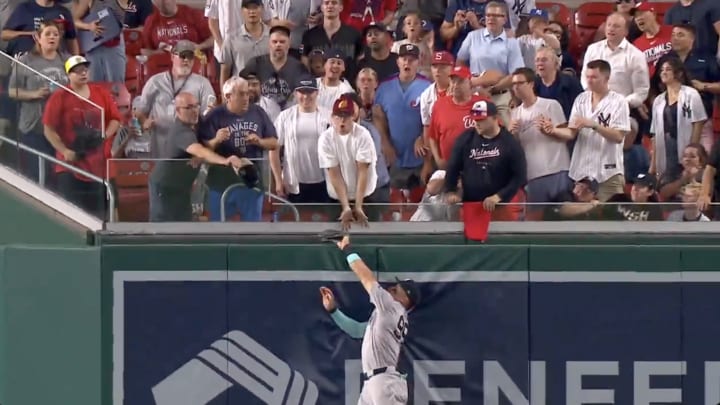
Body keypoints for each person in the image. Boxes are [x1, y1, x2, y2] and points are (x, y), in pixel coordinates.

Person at [319, 234, 419, 405]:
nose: (392, 288)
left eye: (397, 288)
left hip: (385, 382)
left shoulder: (393, 307)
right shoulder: (388, 314)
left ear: (405, 299)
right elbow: (358, 330)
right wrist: (334, 311)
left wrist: (347, 249)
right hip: (375, 382)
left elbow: (366, 277)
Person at [42, 55, 122, 217]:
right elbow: (48, 129)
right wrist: (64, 151)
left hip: (100, 162)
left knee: (109, 208)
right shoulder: (59, 96)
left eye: (85, 70)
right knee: (72, 212)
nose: (83, 73)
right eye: (77, 71)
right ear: (68, 75)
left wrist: (105, 135)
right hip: (71, 163)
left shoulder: (101, 93)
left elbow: (115, 119)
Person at [148, 92, 243, 222]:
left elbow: (204, 145)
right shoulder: (180, 131)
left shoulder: (197, 122)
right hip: (165, 187)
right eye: (189, 107)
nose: (194, 111)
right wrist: (225, 160)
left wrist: (216, 140)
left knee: (184, 225)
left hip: (183, 187)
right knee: (164, 228)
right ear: (178, 111)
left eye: (196, 106)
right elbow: (200, 150)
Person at [548, 59, 630, 201]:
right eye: (588, 77)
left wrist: (594, 125)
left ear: (606, 78)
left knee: (611, 216)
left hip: (608, 172)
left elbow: (618, 136)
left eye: (594, 77)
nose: (590, 81)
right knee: (582, 218)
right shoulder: (581, 99)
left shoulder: (619, 102)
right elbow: (571, 131)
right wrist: (552, 130)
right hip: (582, 172)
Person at [199, 76, 278, 221]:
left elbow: (274, 143)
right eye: (242, 94)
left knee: (252, 231)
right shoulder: (214, 116)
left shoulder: (258, 112)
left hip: (250, 183)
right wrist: (216, 140)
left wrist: (259, 141)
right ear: (228, 96)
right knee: (219, 229)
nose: (247, 98)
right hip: (220, 184)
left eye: (247, 93)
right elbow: (201, 150)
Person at [8, 20, 69, 184]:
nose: (52, 38)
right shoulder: (26, 61)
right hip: (34, 126)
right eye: (48, 34)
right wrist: (34, 94)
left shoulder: (66, 60)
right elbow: (13, 91)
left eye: (55, 34)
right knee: (38, 175)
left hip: (60, 127)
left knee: (58, 177)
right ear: (37, 37)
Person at [444, 100, 527, 215]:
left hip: (502, 205)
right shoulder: (465, 139)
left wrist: (499, 196)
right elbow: (452, 168)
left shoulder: (509, 143)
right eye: (475, 119)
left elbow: (520, 176)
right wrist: (450, 191)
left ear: (495, 118)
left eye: (481, 120)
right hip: (471, 204)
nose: (477, 123)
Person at [318, 94, 378, 229]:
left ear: (353, 117)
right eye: (338, 117)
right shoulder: (325, 139)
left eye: (345, 117)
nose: (342, 121)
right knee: (337, 239)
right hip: (336, 199)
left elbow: (363, 172)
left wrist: (358, 206)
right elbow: (334, 173)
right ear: (332, 118)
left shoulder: (363, 135)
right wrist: (345, 207)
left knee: (368, 235)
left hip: (366, 196)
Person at [269, 78, 332, 205]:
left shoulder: (329, 116)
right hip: (294, 183)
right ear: (295, 93)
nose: (306, 96)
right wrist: (278, 180)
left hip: (325, 181)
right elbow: (274, 149)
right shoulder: (284, 117)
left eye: (310, 92)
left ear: (317, 93)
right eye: (302, 92)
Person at [650, 58, 707, 184]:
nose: (664, 72)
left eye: (668, 69)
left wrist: (692, 152)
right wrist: (653, 165)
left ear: (679, 73)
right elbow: (654, 134)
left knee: (686, 183)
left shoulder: (691, 94)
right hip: (665, 147)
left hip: (685, 144)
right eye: (662, 70)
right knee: (667, 184)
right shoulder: (658, 101)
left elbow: (698, 123)